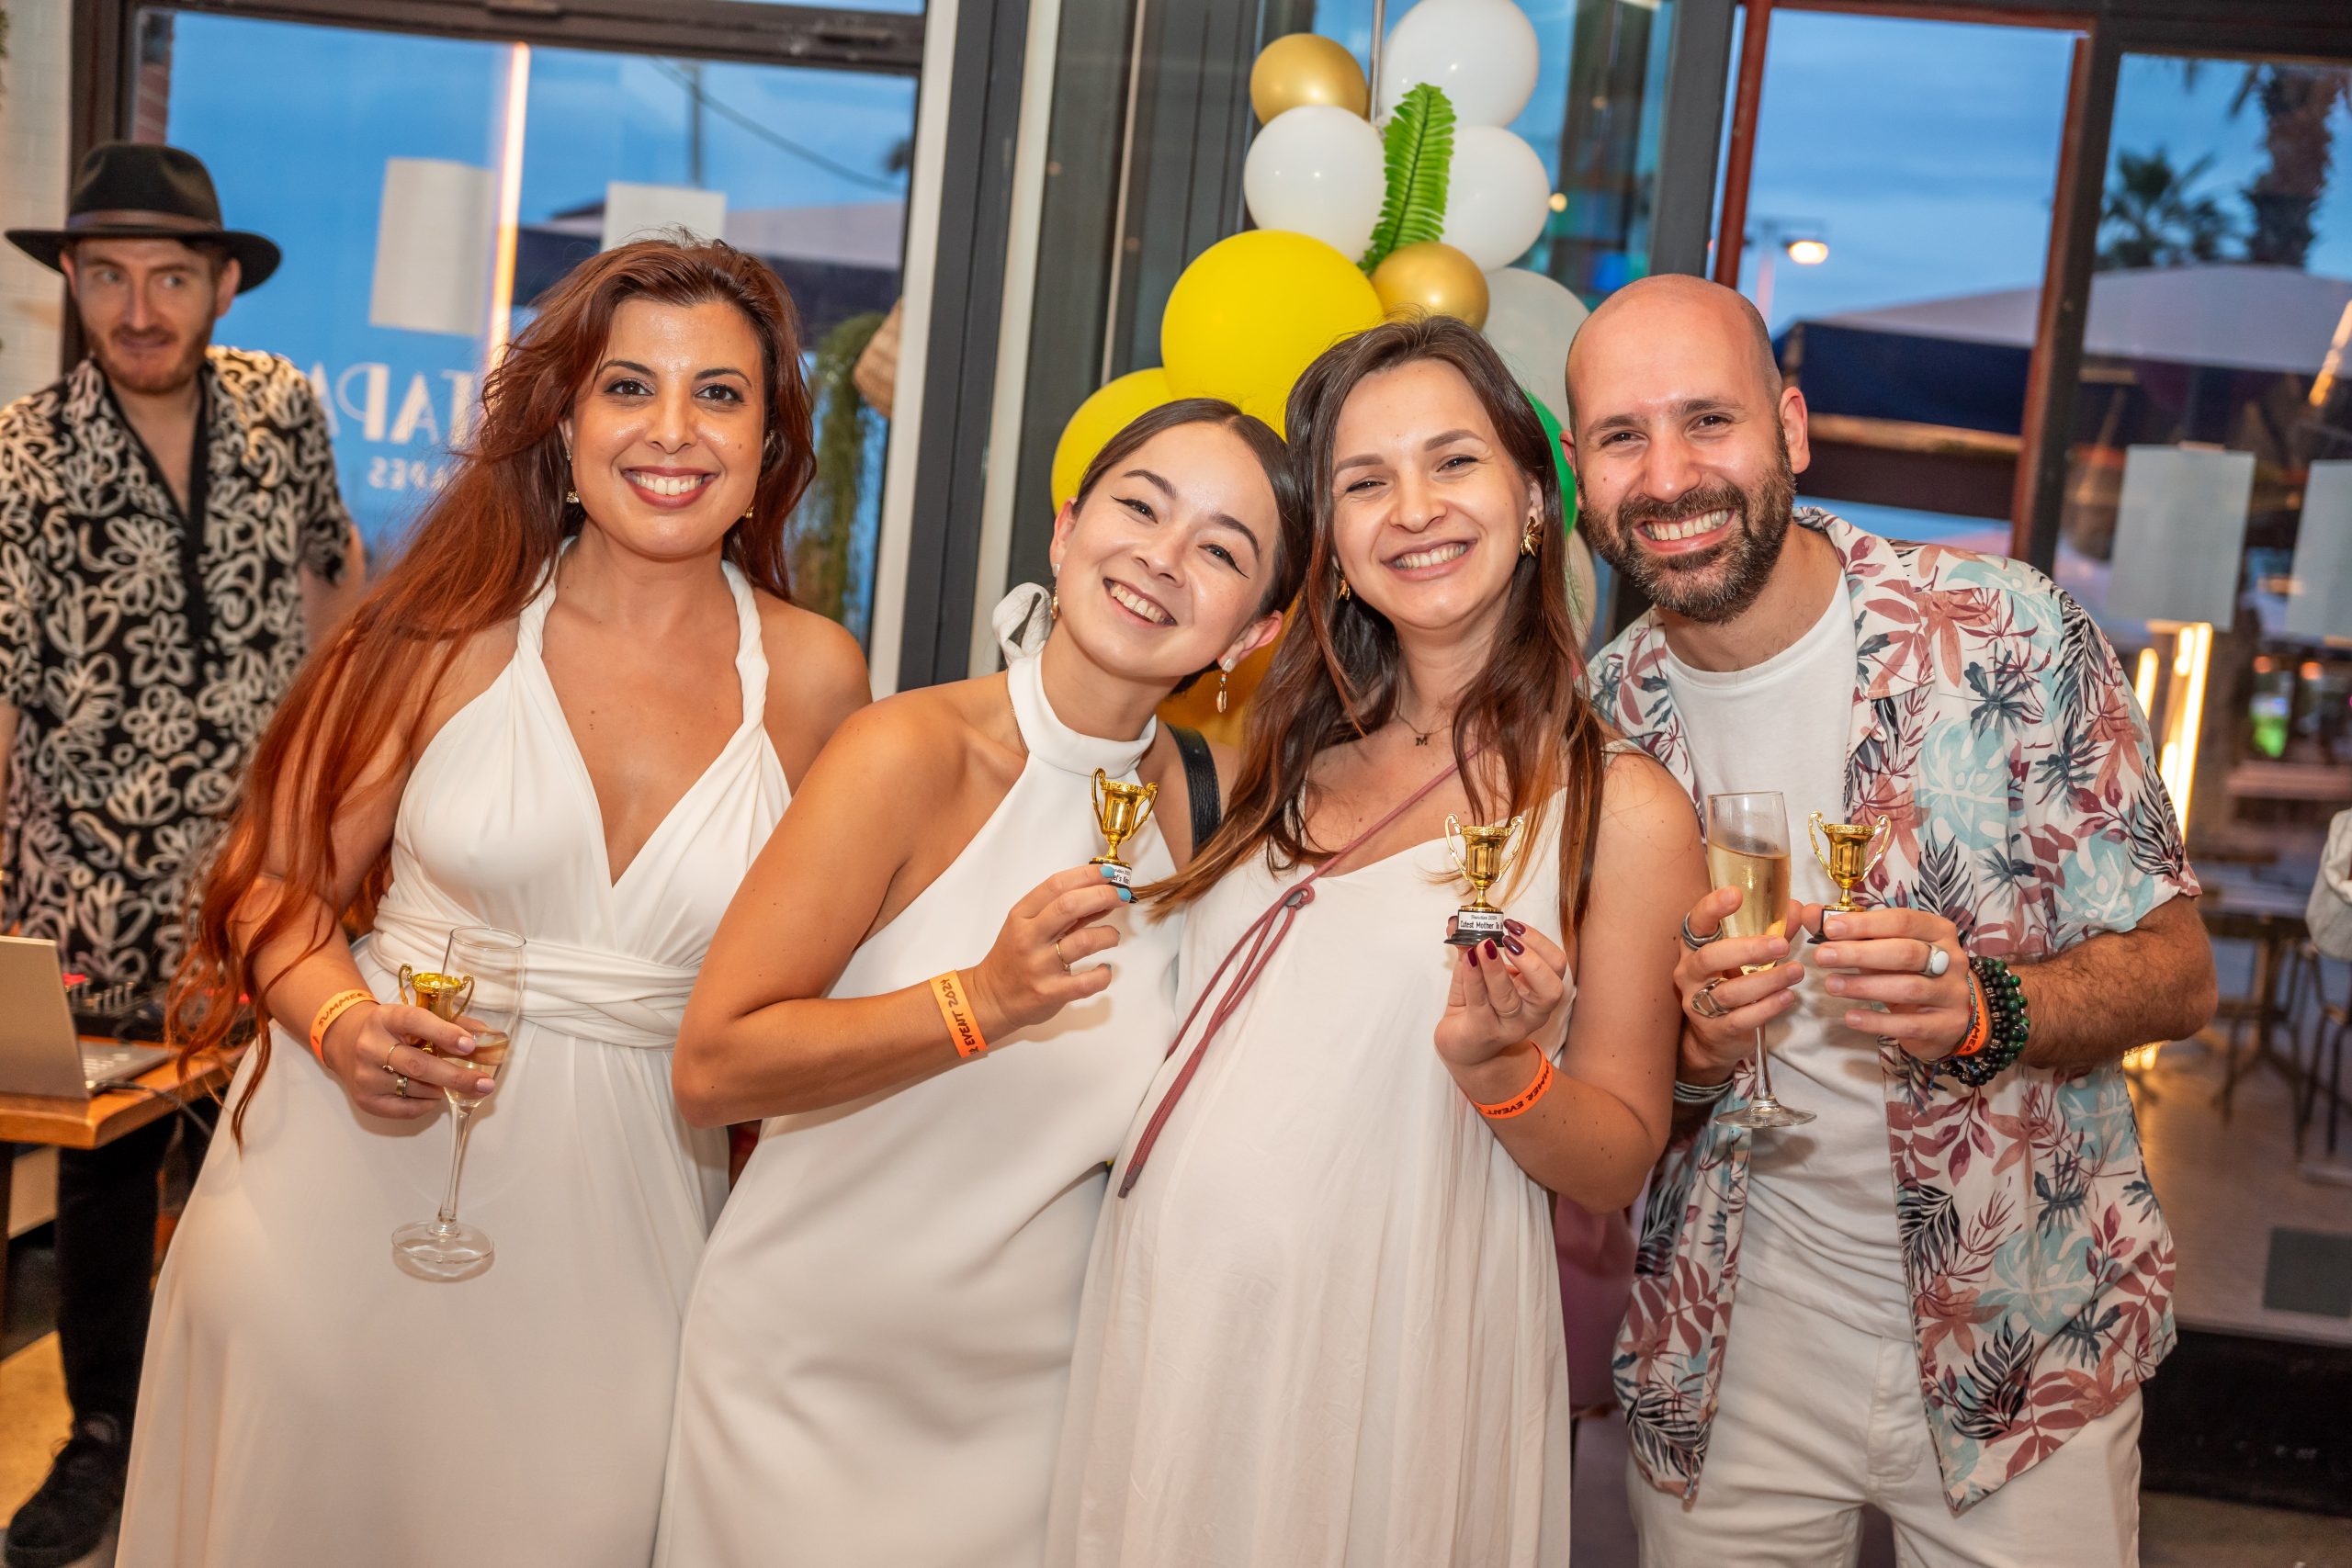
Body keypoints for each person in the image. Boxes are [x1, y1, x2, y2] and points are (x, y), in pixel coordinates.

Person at [113, 238, 869, 1568]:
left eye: (719, 394)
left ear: (768, 443)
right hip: (342, 1194)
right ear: (564, 424)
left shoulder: (815, 680)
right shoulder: (441, 630)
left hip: (627, 1229)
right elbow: (273, 886)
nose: (673, 430)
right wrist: (342, 1023)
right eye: (628, 386)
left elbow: (824, 987)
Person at [1574, 274, 2216, 1567]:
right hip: (1726, 1352)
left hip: (2023, 1336)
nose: (1670, 475)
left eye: (1710, 420)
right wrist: (1696, 1053)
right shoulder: (1594, 725)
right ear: (1581, 475)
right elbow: (1627, 1090)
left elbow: (2178, 974)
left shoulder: (2005, 632)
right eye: (1621, 436)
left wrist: (1992, 1007)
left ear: (1791, 429)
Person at [1048, 315, 1702, 1566]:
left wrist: (1504, 1070)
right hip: (1170, 1307)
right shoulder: (1278, 756)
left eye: (1452, 461)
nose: (1413, 508)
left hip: (1391, 1343)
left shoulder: (1617, 808)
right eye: (1363, 481)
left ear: (1531, 498)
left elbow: (1618, 1157)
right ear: (1334, 549)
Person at [656, 398, 1303, 1567]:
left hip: (1041, 1408)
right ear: (1065, 529)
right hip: (806, 1383)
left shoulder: (1218, 813)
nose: (1163, 556)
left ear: (1250, 634)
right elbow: (712, 1067)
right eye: (1139, 508)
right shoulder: (905, 752)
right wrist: (983, 1002)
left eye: (1220, 551)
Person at [0, 141, 363, 1568]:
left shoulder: (281, 408)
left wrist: (342, 804)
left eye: (167, 276)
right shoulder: (21, 454)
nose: (137, 308)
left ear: (221, 285)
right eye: (106, 275)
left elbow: (331, 585)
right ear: (72, 285)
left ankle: (248, 1432)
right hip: (81, 892)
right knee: (105, 1179)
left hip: (260, 883)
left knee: (268, 1162)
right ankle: (103, 1436)